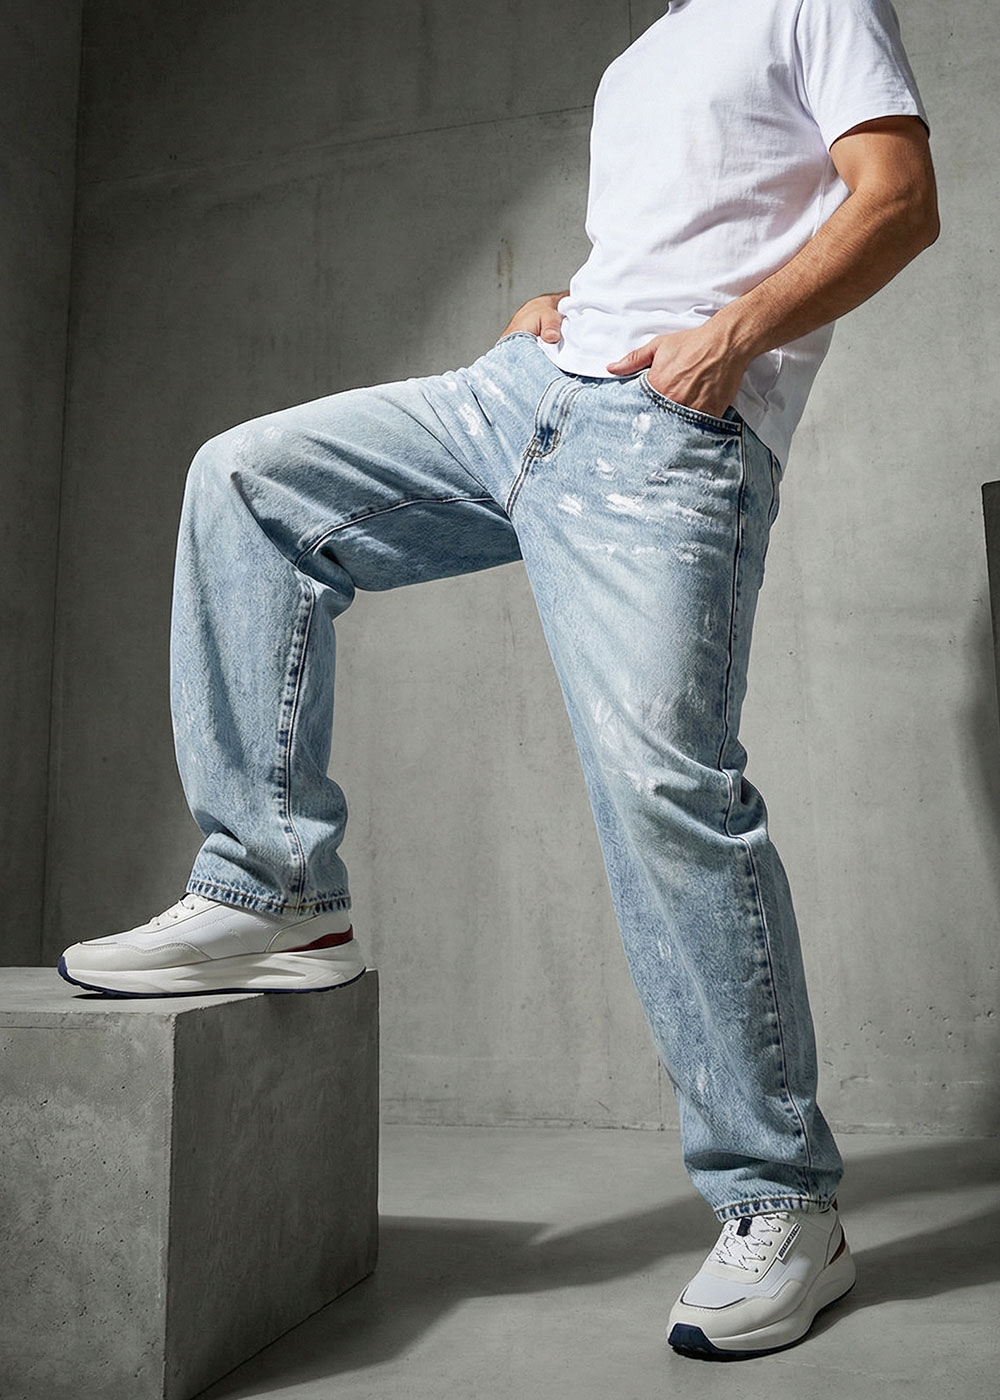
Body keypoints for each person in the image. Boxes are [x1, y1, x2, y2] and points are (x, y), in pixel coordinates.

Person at [57, 0, 938, 1362]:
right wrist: (569, 309)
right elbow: (677, 227)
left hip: (668, 435)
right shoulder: (645, 49)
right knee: (247, 481)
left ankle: (784, 1206)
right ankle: (274, 884)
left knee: (664, 787)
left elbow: (896, 202)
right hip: (520, 397)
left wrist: (732, 335)